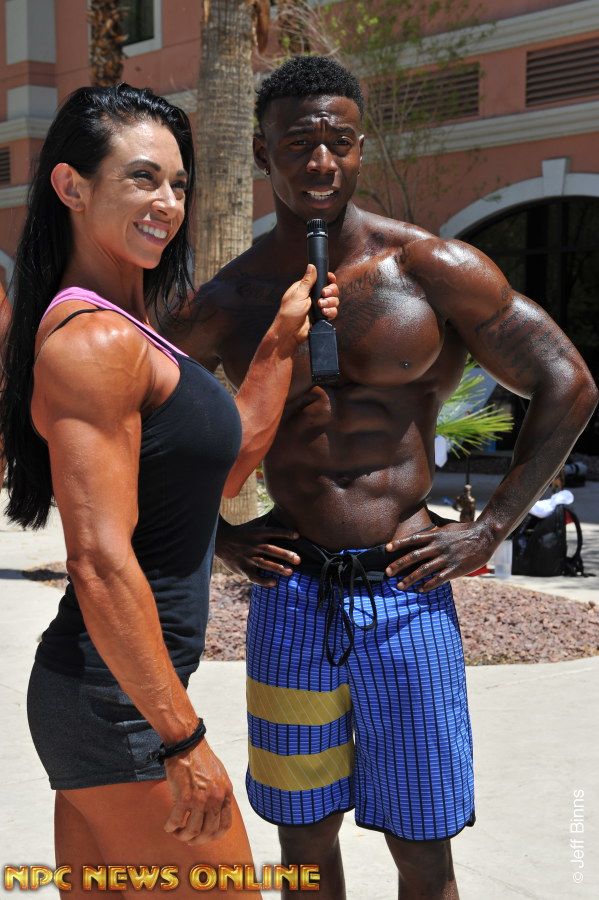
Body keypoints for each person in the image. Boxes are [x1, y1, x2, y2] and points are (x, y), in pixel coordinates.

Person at [165, 57, 598, 900]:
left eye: (339, 140)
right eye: (299, 143)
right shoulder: (228, 298)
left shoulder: (432, 267)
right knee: (301, 839)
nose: (321, 161)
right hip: (291, 599)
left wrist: (491, 527)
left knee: (422, 843)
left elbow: (567, 381)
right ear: (261, 152)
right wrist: (218, 537)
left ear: (361, 147)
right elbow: (144, 429)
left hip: (407, 596)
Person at [0, 82, 339, 892]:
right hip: (117, 708)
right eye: (143, 178)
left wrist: (280, 345)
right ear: (71, 186)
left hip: (109, 697)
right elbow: (97, 561)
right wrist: (182, 740)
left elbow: (223, 470)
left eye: (179, 184)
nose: (168, 203)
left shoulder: (134, 330)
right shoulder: (92, 343)